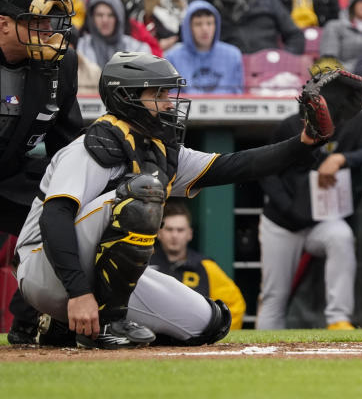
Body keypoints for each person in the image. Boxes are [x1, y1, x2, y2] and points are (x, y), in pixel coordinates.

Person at [14, 49, 339, 347]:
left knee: (209, 324)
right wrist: (78, 293)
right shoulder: (94, 145)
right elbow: (54, 217)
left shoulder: (157, 148)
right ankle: (96, 322)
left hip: (93, 276)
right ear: (127, 97)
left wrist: (305, 142)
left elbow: (233, 166)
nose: (169, 103)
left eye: (168, 93)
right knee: (143, 190)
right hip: (46, 270)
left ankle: (64, 329)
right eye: (158, 94)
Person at [256, 87, 362, 331]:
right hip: (283, 222)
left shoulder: (357, 121)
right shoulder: (291, 126)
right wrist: (288, 207)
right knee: (275, 296)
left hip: (324, 217)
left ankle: (338, 319)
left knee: (341, 236)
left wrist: (340, 159)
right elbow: (267, 172)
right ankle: (264, 357)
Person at [0, 0, 81, 345]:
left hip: (14, 175)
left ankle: (32, 322)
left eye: (51, 23)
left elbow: (69, 144)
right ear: (4, 24)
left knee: (72, 215)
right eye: (36, 23)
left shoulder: (63, 64)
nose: (48, 32)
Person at [149, 201, 246, 330]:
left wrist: (215, 332)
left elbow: (235, 305)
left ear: (190, 234)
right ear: (159, 233)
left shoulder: (205, 266)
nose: (174, 235)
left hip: (195, 337)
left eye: (180, 230)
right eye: (169, 229)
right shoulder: (145, 264)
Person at [164, 0, 243, 94]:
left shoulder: (233, 56)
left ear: (216, 26)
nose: (205, 29)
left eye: (209, 23)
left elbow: (238, 96)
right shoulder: (172, 58)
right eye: (198, 24)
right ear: (188, 28)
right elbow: (171, 99)